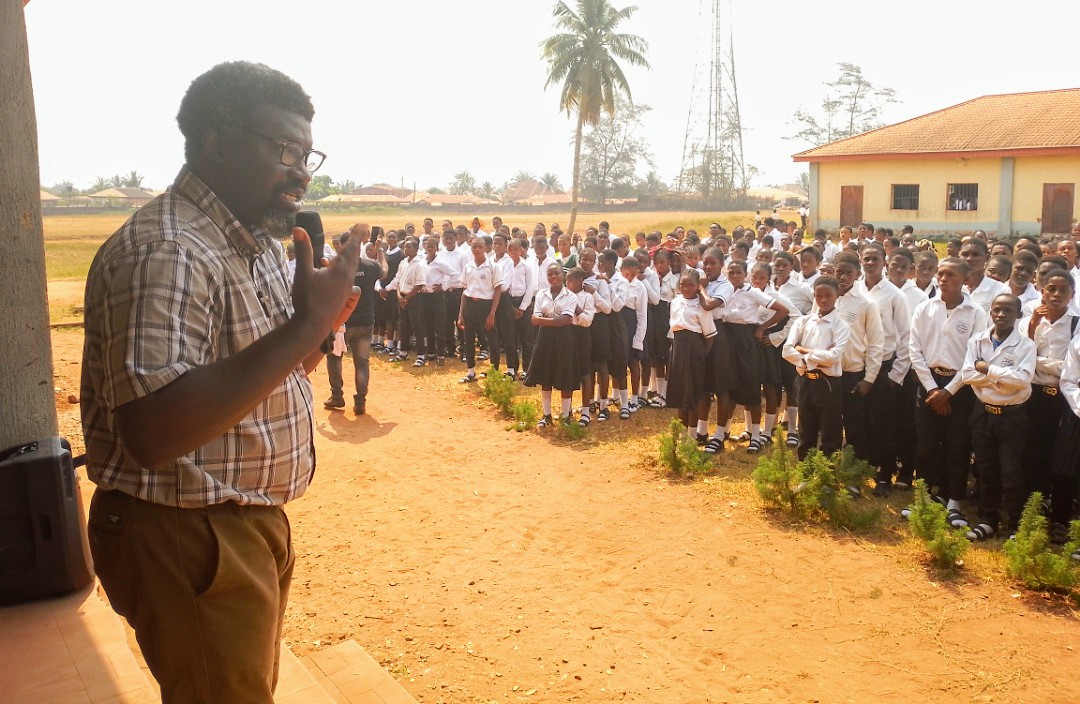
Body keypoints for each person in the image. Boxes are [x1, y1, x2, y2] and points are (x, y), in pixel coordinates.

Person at [81, 61, 360, 702]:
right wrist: (304, 325)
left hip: (237, 521)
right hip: (186, 530)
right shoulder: (170, 249)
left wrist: (317, 329)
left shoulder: (251, 242)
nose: (301, 171)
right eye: (284, 149)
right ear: (217, 144)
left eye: (307, 154)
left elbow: (263, 380)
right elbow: (153, 430)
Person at [906, 257, 989, 526]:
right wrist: (932, 389)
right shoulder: (925, 308)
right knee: (927, 444)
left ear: (965, 279)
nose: (943, 279)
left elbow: (975, 357)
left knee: (957, 444)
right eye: (940, 274)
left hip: (961, 386)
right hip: (928, 382)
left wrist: (949, 391)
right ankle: (923, 496)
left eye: (951, 275)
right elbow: (914, 350)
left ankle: (954, 500)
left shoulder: (976, 313)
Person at [960, 294, 1036, 541]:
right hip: (983, 414)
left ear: (1018, 315)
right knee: (986, 470)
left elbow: (1022, 380)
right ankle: (987, 520)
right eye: (997, 309)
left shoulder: (1026, 346)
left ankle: (1015, 525)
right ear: (990, 312)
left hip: (1012, 417)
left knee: (1011, 472)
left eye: (1008, 310)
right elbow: (967, 375)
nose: (1001, 314)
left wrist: (987, 369)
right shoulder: (977, 340)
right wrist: (1002, 379)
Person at [783, 277, 851, 460]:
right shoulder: (802, 322)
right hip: (804, 380)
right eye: (819, 295)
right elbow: (787, 351)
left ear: (837, 295)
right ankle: (806, 470)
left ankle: (827, 472)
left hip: (828, 383)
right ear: (813, 295)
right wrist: (818, 358)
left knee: (830, 431)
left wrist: (803, 350)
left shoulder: (841, 326)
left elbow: (833, 357)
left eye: (828, 295)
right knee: (806, 429)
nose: (823, 299)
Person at [326, 234, 386, 413]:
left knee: (334, 357)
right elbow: (384, 270)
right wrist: (380, 251)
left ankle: (337, 396)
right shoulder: (371, 266)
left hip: (341, 324)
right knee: (362, 362)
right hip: (365, 323)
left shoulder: (335, 268)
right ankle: (360, 401)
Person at [525, 263, 581, 426]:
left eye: (556, 273)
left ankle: (565, 416)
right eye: (550, 274)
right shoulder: (541, 294)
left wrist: (543, 320)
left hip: (564, 338)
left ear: (563, 275)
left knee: (565, 375)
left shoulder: (570, 296)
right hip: (545, 338)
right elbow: (534, 319)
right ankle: (546, 415)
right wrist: (554, 320)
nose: (553, 277)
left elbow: (565, 320)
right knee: (545, 375)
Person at [666, 268, 717, 437]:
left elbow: (710, 335)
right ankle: (682, 435)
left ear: (697, 287)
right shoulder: (675, 301)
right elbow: (673, 327)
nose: (686, 288)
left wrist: (702, 354)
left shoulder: (701, 307)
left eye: (690, 285)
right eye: (683, 285)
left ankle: (692, 435)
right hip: (678, 348)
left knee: (693, 392)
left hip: (694, 349)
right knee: (680, 391)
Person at [457, 238, 503, 383]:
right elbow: (465, 291)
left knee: (492, 340)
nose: (477, 249)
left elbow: (498, 290)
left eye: (480, 247)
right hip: (470, 305)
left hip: (486, 305)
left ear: (485, 248)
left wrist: (492, 314)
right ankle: (471, 372)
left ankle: (494, 372)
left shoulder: (492, 267)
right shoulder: (468, 267)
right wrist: (461, 315)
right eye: (474, 247)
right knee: (468, 340)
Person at [566, 267, 596, 426]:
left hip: (582, 335)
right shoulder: (563, 296)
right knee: (568, 372)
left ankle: (585, 412)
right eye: (566, 281)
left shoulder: (587, 297)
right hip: (567, 334)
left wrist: (575, 306)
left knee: (585, 373)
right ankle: (567, 410)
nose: (567, 284)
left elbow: (587, 321)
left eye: (570, 281)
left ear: (580, 281)